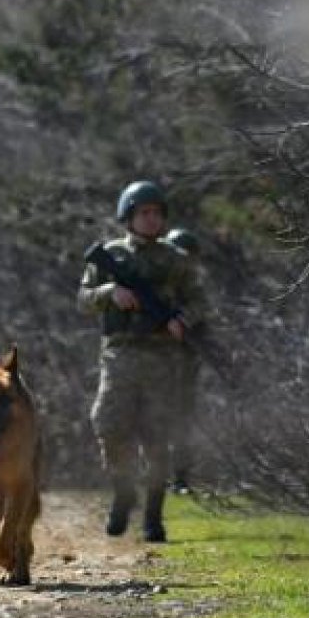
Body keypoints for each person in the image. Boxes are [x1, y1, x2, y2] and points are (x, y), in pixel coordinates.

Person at [77, 181, 205, 543]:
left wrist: (183, 321)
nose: (151, 219)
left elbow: (199, 301)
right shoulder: (111, 255)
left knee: (157, 437)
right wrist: (109, 293)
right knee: (109, 425)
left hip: (163, 357)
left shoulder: (176, 260)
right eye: (143, 213)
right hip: (120, 353)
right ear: (129, 217)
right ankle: (123, 490)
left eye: (156, 213)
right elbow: (83, 298)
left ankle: (153, 515)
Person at [163, 227, 202, 495]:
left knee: (182, 422)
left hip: (184, 364)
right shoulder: (159, 286)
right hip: (154, 362)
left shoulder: (194, 292)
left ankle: (180, 478)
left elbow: (203, 320)